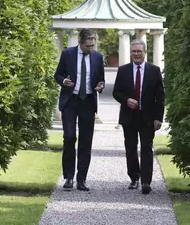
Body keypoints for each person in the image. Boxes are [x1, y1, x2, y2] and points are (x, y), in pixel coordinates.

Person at [54, 29, 105, 191]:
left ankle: (81, 179)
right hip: (70, 101)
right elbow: (57, 75)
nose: (91, 48)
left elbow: (101, 79)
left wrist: (100, 85)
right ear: (80, 42)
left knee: (86, 141)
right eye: (88, 46)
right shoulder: (67, 54)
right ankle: (68, 177)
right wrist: (64, 81)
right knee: (69, 137)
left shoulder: (98, 57)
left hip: (88, 102)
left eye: (93, 45)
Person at [112, 40, 164, 194]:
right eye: (133, 51)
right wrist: (126, 100)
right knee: (131, 148)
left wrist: (158, 117)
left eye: (139, 51)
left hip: (147, 116)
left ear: (144, 52)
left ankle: (146, 181)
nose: (136, 54)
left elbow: (160, 96)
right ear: (130, 53)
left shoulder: (154, 71)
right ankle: (134, 177)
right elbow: (116, 92)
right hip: (129, 116)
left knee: (147, 148)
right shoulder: (123, 70)